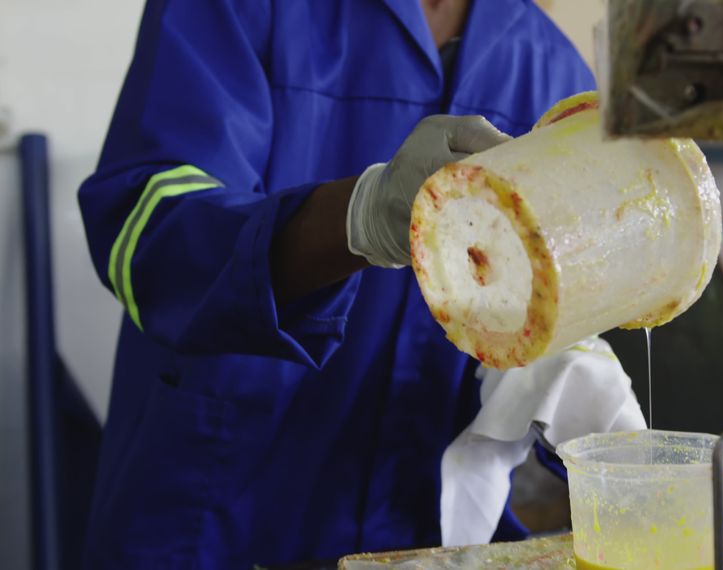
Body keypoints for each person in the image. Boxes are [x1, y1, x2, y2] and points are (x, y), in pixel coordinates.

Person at [77, 0, 594, 567]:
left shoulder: (552, 69)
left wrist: (565, 358)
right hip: (211, 517)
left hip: (416, 532)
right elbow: (142, 234)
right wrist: (357, 216)